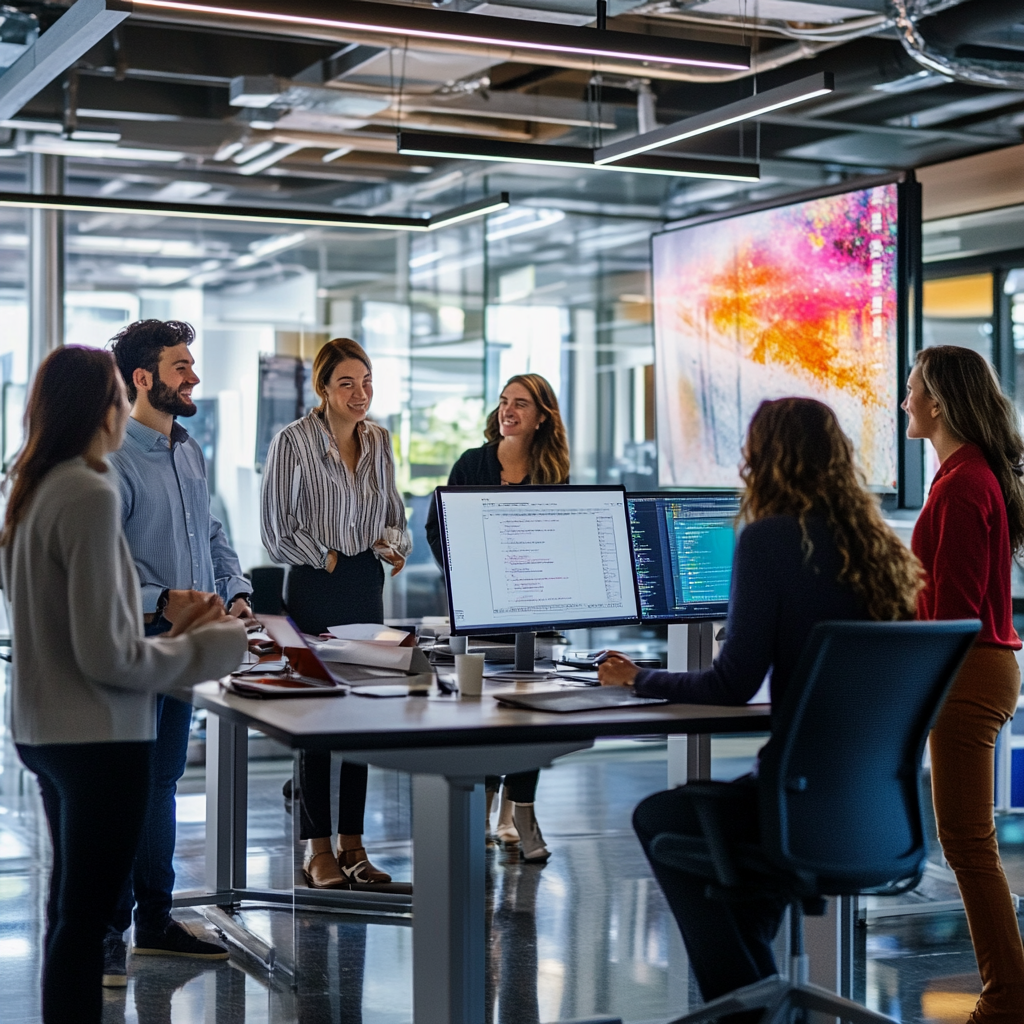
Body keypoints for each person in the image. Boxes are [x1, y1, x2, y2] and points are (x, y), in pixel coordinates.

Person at [598, 397, 922, 1011]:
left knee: (662, 818)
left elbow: (730, 685)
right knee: (737, 862)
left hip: (794, 801)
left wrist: (638, 678)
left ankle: (746, 1005)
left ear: (763, 461)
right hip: (874, 808)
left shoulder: (770, 539)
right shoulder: (882, 548)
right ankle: (760, 1002)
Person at [1, 347, 246, 1024]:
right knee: (85, 922)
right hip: (98, 737)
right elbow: (110, 659)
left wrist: (175, 631)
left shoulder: (30, 487)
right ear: (102, 405)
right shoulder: (87, 490)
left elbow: (68, 633)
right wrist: (211, 647)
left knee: (68, 914)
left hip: (45, 731)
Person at [104, 320, 256, 981]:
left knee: (163, 786)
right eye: (180, 366)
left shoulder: (188, 451)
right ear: (143, 378)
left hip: (185, 654)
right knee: (122, 793)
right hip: (135, 652)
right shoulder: (111, 459)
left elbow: (214, 530)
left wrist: (238, 589)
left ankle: (156, 921)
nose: (192, 377)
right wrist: (163, 598)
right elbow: (102, 566)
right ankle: (109, 935)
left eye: (191, 366)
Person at [261, 337, 410, 889]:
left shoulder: (380, 440)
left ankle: (354, 845)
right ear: (323, 388)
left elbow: (395, 512)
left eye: (366, 381)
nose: (360, 393)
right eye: (346, 382)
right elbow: (276, 529)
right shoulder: (293, 442)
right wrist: (325, 555)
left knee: (361, 718)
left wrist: (394, 543)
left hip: (365, 587)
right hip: (315, 587)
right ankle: (316, 849)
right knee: (319, 719)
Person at [904, 345, 1024, 1023]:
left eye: (912, 390)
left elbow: (950, 616)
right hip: (978, 668)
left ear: (938, 402)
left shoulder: (963, 483)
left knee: (968, 842)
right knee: (967, 839)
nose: (905, 402)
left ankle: (1008, 999)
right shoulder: (970, 474)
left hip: (968, 674)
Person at [425, 373, 570, 862]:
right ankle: (486, 810)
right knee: (487, 711)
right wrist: (467, 579)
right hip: (482, 608)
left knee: (532, 711)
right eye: (505, 402)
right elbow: (436, 527)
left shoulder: (554, 470)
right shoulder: (473, 464)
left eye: (521, 404)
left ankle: (519, 811)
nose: (508, 411)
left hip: (536, 605)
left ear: (541, 416)